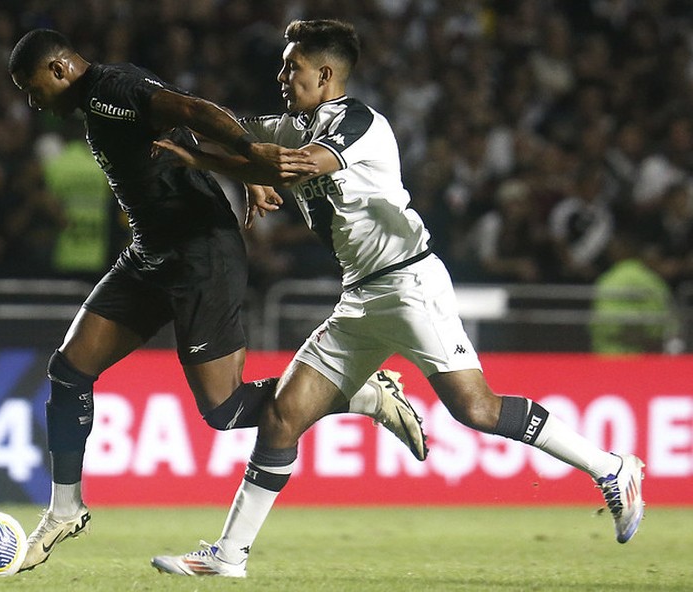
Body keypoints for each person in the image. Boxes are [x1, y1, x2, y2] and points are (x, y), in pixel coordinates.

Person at [151, 19, 645, 578]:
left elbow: (293, 165)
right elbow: (237, 130)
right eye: (285, 65)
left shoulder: (358, 122)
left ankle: (611, 467)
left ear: (326, 72)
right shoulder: (293, 123)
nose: (282, 75)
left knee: (475, 408)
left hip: (408, 284)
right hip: (360, 295)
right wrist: (177, 120)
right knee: (285, 415)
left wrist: (209, 161)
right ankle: (230, 555)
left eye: (294, 66)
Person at [7, 29, 428, 572]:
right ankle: (64, 510)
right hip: (151, 253)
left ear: (59, 69)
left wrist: (252, 157)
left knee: (224, 410)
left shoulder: (112, 92)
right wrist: (249, 177)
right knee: (68, 370)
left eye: (31, 86)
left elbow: (192, 108)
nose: (31, 100)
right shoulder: (106, 98)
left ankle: (363, 397)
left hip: (200, 253)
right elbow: (179, 119)